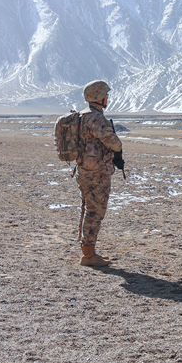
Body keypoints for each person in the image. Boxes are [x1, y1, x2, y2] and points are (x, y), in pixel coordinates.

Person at [75, 80, 123, 267]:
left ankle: (89, 251)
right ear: (99, 97)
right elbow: (115, 144)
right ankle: (88, 255)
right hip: (97, 173)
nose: (107, 98)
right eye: (105, 95)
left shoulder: (81, 117)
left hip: (85, 170)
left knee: (90, 210)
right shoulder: (96, 119)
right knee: (95, 212)